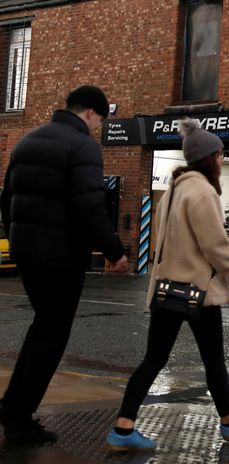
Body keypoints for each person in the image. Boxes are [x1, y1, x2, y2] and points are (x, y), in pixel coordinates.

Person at [106, 118, 229, 451]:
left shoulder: (174, 190)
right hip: (197, 294)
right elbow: (216, 245)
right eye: (219, 155)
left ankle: (123, 427)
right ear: (207, 158)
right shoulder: (202, 192)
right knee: (213, 360)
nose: (221, 159)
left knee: (153, 359)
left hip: (167, 290)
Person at [0, 85, 129, 444]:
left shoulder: (28, 140)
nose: (98, 127)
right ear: (89, 112)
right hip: (61, 257)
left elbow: (6, 196)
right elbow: (90, 204)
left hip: (26, 252)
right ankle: (19, 421)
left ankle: (13, 408)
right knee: (52, 337)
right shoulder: (83, 146)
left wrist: (16, 237)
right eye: (100, 120)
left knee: (42, 329)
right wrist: (115, 250)